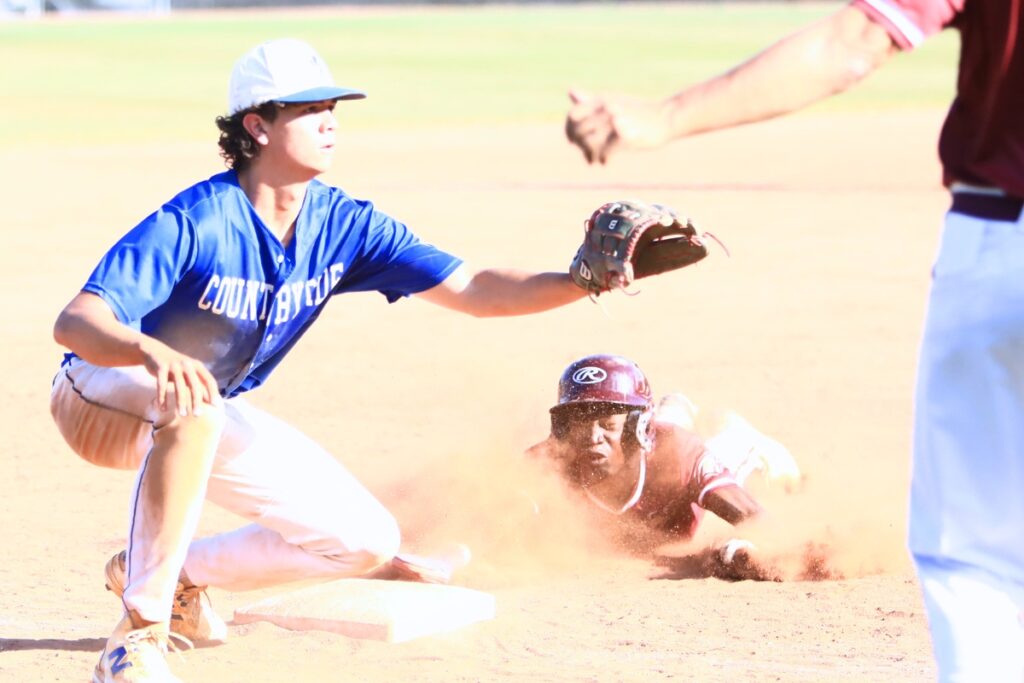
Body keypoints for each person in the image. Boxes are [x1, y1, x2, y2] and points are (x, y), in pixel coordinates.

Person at [49, 38, 622, 683]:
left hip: (201, 411)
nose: (330, 121)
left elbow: (478, 289)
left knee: (364, 540)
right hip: (98, 391)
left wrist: (584, 280)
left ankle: (169, 571)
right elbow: (77, 322)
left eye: (332, 106)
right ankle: (139, 634)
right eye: (308, 108)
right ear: (257, 126)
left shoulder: (344, 225)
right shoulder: (199, 219)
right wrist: (149, 351)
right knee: (196, 405)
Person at [565, 2, 1024, 679]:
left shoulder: (684, 459)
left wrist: (663, 118)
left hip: (1000, 232)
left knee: (972, 551)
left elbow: (856, 40)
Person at [525, 354, 802, 573]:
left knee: (759, 453)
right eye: (580, 425)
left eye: (608, 425)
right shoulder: (549, 463)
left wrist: (744, 549)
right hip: (663, 435)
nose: (593, 437)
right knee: (675, 428)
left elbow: (760, 522)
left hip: (708, 447)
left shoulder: (681, 455)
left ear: (639, 427)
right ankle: (677, 408)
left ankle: (708, 418)